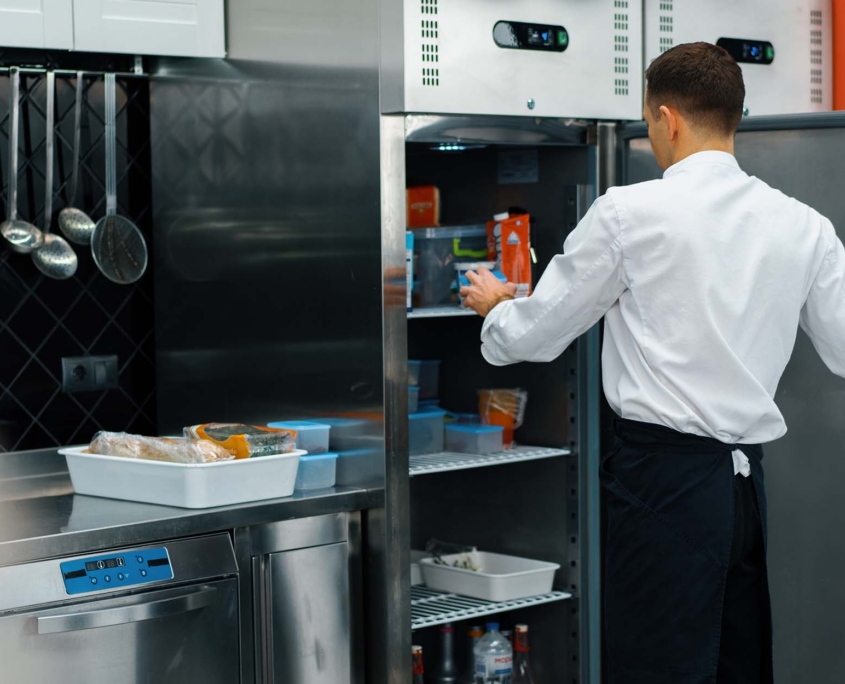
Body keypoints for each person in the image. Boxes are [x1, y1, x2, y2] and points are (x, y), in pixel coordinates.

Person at [460, 42, 845, 684]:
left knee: (658, 665)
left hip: (660, 484)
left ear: (665, 118)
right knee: (736, 663)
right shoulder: (803, 225)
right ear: (736, 116)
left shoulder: (627, 215)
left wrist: (497, 308)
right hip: (744, 490)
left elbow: (536, 335)